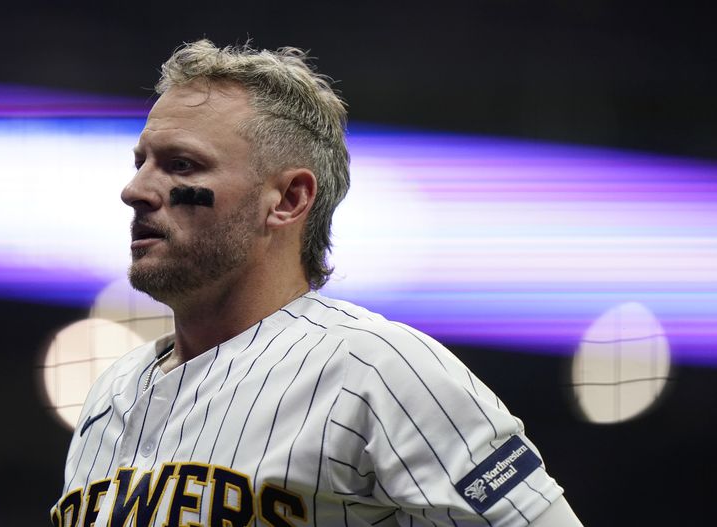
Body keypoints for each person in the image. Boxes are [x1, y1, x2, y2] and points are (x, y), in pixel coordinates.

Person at [51, 39, 583, 526]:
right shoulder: (110, 392)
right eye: (141, 162)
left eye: (182, 166)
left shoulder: (378, 368)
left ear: (288, 200)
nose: (135, 189)